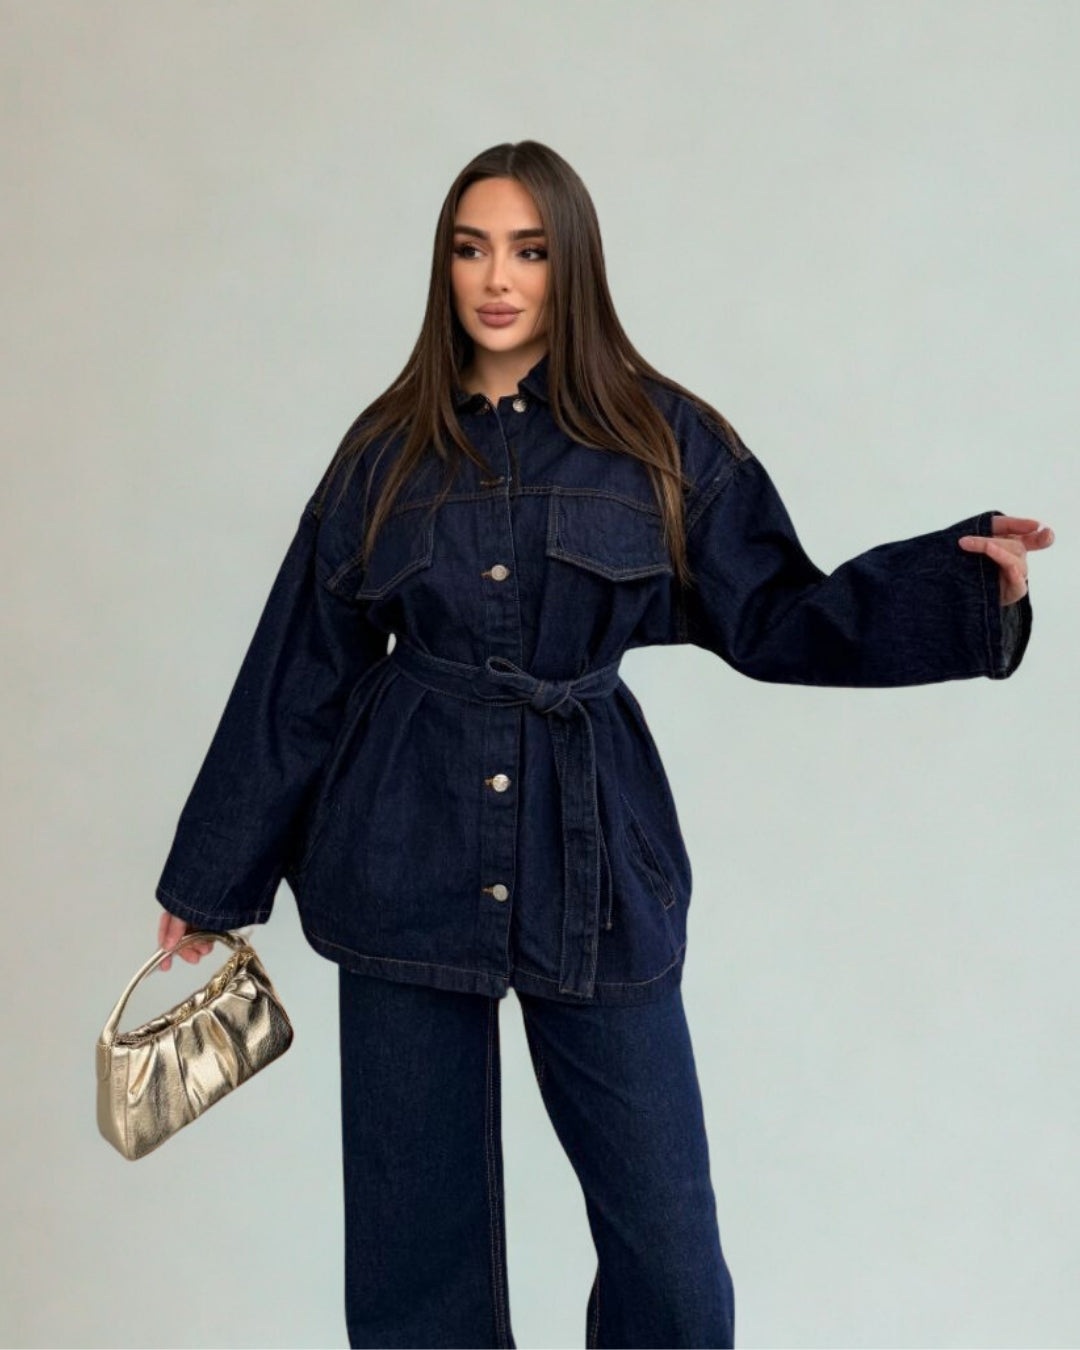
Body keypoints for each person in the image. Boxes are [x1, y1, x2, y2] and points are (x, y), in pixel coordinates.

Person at [152, 140, 1053, 1349]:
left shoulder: (658, 438)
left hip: (595, 857)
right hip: (403, 853)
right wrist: (211, 881)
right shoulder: (386, 451)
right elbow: (298, 668)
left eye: (528, 248)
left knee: (671, 1265)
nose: (498, 278)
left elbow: (780, 612)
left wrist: (963, 595)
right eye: (471, 248)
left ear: (573, 263)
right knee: (414, 1263)